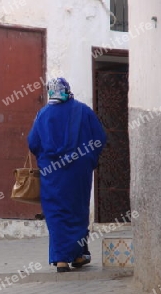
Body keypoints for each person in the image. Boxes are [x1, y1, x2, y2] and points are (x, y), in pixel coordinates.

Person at [27, 78, 106, 272]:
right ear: (67, 90)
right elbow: (100, 138)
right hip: (78, 173)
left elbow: (33, 142)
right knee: (77, 211)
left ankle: (61, 260)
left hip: (52, 174)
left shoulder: (43, 114)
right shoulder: (83, 110)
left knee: (56, 213)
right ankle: (78, 255)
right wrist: (88, 158)